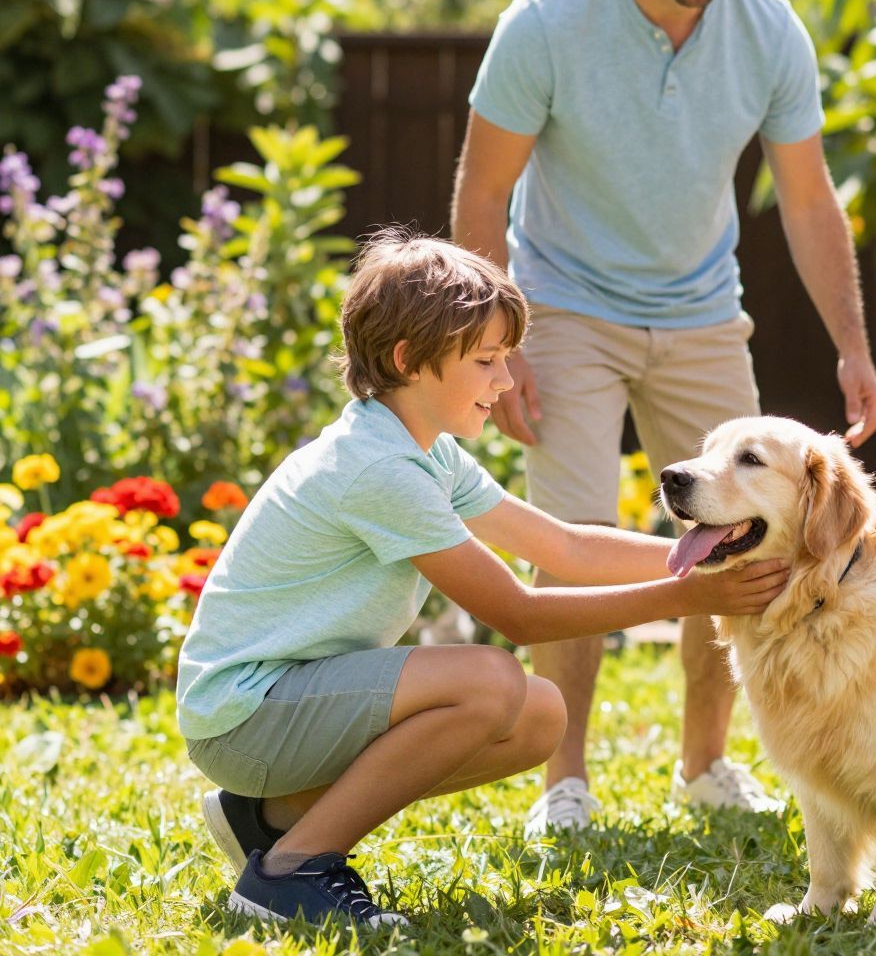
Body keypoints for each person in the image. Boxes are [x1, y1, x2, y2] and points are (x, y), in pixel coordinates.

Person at [450, 0, 876, 834]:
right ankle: (564, 783)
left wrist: (853, 345)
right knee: (576, 544)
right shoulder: (549, 21)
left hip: (698, 312)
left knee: (737, 545)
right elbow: (479, 201)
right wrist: (493, 353)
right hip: (563, 308)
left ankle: (703, 767)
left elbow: (811, 201)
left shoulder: (768, 28)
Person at [177, 234, 791, 927]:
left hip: (288, 705)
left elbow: (564, 545)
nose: (504, 382)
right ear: (409, 361)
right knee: (492, 681)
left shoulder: (426, 451)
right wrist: (687, 595)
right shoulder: (379, 469)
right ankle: (291, 872)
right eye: (487, 361)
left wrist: (700, 554)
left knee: (537, 716)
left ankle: (267, 819)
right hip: (245, 716)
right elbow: (520, 615)